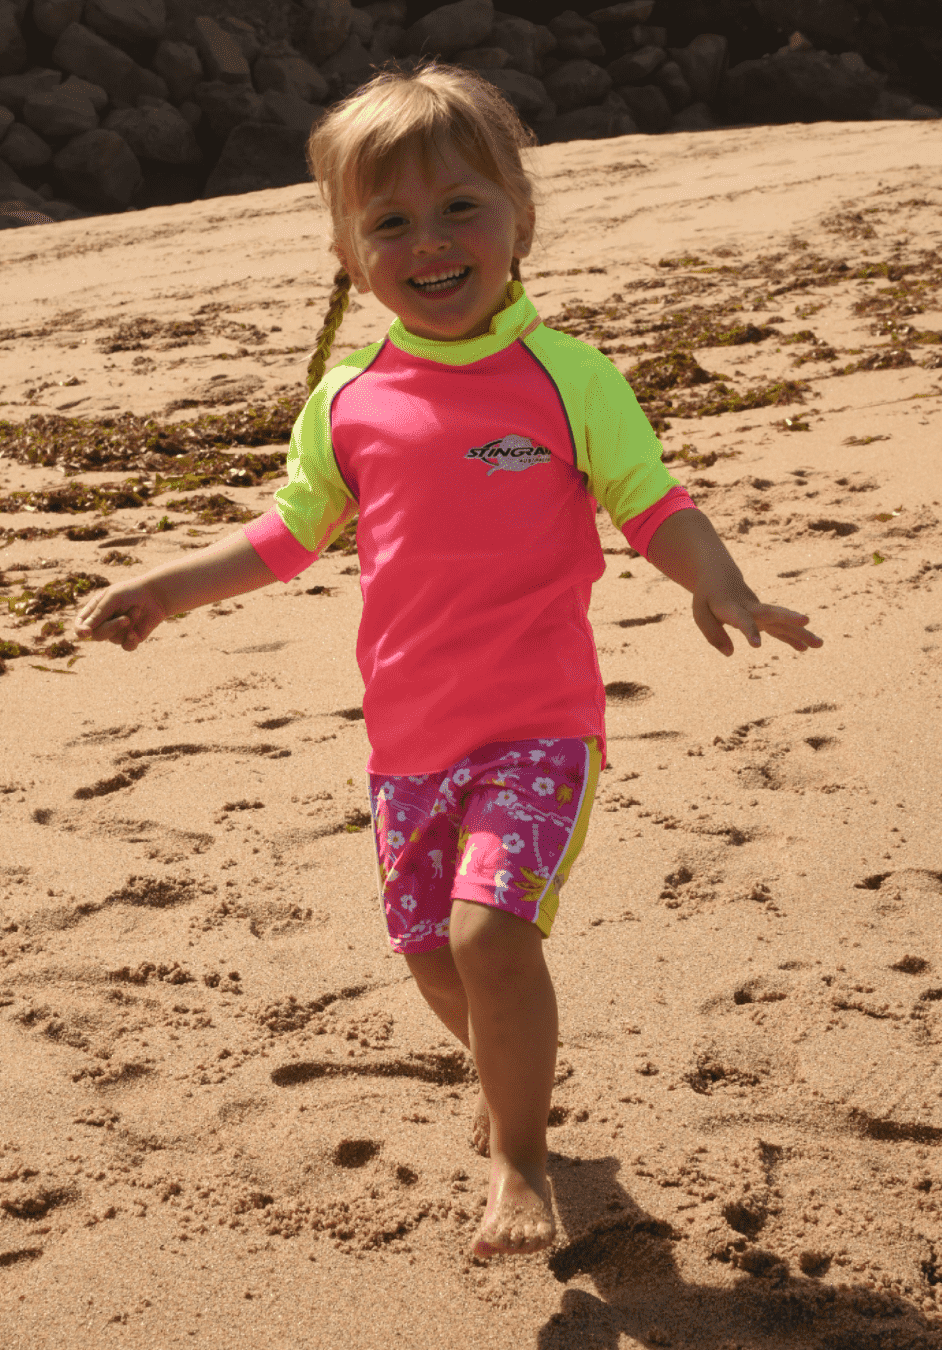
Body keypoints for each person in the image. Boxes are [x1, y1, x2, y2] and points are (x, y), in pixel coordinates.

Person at [74, 63, 822, 1260]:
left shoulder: (568, 377)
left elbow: (652, 501)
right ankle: (507, 1074)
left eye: (460, 208)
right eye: (391, 222)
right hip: (409, 743)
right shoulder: (348, 399)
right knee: (432, 960)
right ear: (347, 254)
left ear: (520, 218)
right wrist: (166, 588)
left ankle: (521, 1160)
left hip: (541, 727)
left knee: (490, 938)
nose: (429, 241)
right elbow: (289, 534)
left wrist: (718, 582)